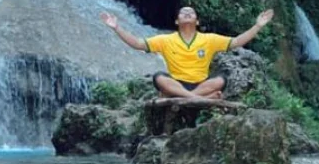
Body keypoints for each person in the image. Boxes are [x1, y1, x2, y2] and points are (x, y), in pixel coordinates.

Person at [100, 6, 275, 99]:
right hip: (177, 83)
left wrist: (258, 25)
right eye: (183, 12)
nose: (187, 13)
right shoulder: (166, 40)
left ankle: (188, 96)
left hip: (202, 84)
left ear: (197, 21)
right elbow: (138, 43)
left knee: (221, 78)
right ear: (177, 21)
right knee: (159, 78)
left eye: (191, 12)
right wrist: (116, 28)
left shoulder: (209, 39)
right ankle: (201, 99)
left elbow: (236, 42)